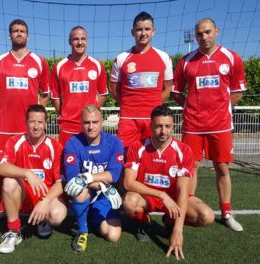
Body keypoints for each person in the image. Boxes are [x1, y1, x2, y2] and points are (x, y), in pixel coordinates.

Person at [171, 18, 247, 232]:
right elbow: (176, 92)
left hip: (220, 126)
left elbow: (238, 91)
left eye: (207, 32)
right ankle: (185, 211)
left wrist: (221, 107)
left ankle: (226, 213)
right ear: (195, 36)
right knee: (190, 169)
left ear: (216, 31)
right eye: (199, 34)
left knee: (222, 167)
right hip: (193, 126)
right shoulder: (186, 61)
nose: (203, 37)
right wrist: (191, 106)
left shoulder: (232, 58)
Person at [123, 105, 214, 260]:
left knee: (206, 216)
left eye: (167, 126)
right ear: (151, 126)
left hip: (173, 198)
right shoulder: (137, 147)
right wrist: (161, 195)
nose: (163, 131)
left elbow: (183, 190)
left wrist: (178, 230)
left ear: (173, 126)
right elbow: (128, 183)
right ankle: (143, 221)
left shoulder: (184, 150)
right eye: (158, 126)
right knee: (129, 202)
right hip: (147, 196)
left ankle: (170, 222)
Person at [0, 19, 51, 220]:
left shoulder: (39, 61)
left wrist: (35, 114)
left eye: (22, 31)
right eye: (15, 31)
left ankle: (33, 201)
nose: (19, 34)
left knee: (32, 167)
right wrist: (9, 108)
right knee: (4, 169)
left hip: (30, 128)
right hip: (7, 126)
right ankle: (2, 207)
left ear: (27, 35)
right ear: (9, 35)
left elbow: (46, 93)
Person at [0, 104, 67, 254]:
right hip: (22, 195)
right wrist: (27, 173)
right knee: (9, 181)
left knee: (58, 214)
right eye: (32, 122)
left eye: (40, 122)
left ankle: (43, 219)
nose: (36, 126)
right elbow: (1, 168)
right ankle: (14, 230)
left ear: (46, 124)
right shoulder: (15, 141)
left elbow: (61, 182)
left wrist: (45, 201)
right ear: (26, 122)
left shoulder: (55, 146)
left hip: (44, 196)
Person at [63, 105, 124, 252]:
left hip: (104, 197)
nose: (91, 127)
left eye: (95, 122)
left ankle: (89, 214)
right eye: (86, 122)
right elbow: (74, 179)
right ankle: (82, 231)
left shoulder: (115, 143)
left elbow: (113, 175)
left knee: (113, 236)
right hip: (89, 191)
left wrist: (87, 177)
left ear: (101, 122)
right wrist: (103, 185)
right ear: (81, 123)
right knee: (79, 190)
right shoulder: (72, 143)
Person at [110, 11, 173, 150]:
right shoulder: (121, 59)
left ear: (153, 31)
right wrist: (128, 103)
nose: (143, 33)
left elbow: (168, 88)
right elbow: (114, 90)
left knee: (151, 158)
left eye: (147, 29)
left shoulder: (164, 57)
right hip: (128, 119)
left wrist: (153, 103)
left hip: (153, 118)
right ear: (133, 32)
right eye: (139, 29)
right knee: (125, 159)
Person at [51, 26, 108, 146]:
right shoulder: (59, 67)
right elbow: (55, 97)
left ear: (87, 41)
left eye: (83, 39)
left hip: (90, 126)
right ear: (69, 41)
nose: (80, 42)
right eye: (76, 39)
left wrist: (91, 113)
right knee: (67, 163)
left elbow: (103, 94)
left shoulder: (97, 65)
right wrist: (65, 113)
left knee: (90, 163)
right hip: (67, 127)